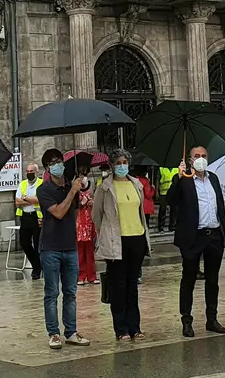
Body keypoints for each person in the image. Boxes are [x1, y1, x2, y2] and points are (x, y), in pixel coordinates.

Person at [167, 144, 225, 337]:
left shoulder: (214, 179)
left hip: (214, 235)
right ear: (190, 159)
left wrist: (223, 234)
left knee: (213, 281)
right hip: (193, 237)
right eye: (196, 156)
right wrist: (177, 178)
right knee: (188, 280)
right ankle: (186, 320)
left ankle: (212, 319)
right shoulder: (183, 180)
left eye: (203, 155)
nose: (200, 158)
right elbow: (170, 200)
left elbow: (219, 205)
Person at [91, 149, 149, 342]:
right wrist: (107, 233)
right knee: (118, 285)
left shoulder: (136, 184)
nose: (122, 166)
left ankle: (135, 326)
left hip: (137, 237)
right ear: (112, 165)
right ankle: (121, 328)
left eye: (125, 162)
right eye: (119, 163)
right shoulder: (105, 187)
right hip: (117, 240)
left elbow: (141, 210)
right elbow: (96, 215)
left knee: (132, 285)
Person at [38, 148, 90, 350]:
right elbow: (59, 212)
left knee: (71, 292)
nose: (57, 164)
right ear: (47, 168)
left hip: (70, 246)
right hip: (50, 247)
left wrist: (75, 189)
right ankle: (53, 333)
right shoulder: (44, 189)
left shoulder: (71, 185)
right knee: (52, 293)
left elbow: (74, 213)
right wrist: (71, 192)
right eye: (53, 162)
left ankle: (71, 331)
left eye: (59, 161)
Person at [14, 163, 43, 279]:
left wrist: (25, 198)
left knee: (37, 245)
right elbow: (17, 202)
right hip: (25, 217)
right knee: (24, 243)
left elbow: (40, 199)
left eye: (32, 171)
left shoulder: (41, 184)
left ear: (37, 172)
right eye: (27, 171)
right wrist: (33, 200)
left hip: (37, 217)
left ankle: (37, 269)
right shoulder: (22, 184)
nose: (29, 173)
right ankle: (37, 264)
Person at [77, 172, 98, 285]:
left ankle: (92, 276)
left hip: (89, 224)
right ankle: (81, 276)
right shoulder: (74, 193)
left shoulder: (91, 192)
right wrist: (82, 202)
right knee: (80, 252)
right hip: (78, 225)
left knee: (90, 252)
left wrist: (92, 203)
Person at [157, 166, 176, 232]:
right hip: (163, 192)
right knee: (162, 209)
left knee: (174, 210)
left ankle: (172, 226)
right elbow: (158, 180)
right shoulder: (161, 168)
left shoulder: (176, 169)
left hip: (174, 192)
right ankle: (161, 226)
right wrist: (157, 192)